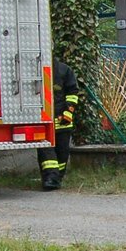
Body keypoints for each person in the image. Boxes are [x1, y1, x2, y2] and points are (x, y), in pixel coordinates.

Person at [40, 56, 79, 190]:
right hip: (44, 121)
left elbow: (72, 92)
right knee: (46, 153)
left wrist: (68, 112)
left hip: (62, 121)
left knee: (63, 153)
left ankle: (58, 176)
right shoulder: (36, 69)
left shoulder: (64, 70)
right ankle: (50, 178)